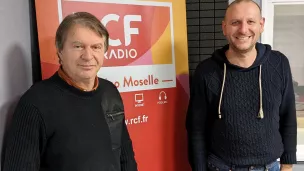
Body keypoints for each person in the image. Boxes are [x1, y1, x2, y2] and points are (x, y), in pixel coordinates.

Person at [2, 12, 137, 171]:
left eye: (96, 47)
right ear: (60, 50)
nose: (88, 56)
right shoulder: (35, 103)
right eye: (78, 46)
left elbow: (125, 156)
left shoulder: (110, 92)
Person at [186, 0, 297, 171]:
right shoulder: (206, 71)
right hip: (221, 167)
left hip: (270, 168)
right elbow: (196, 130)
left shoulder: (279, 63)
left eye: (250, 21)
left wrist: (287, 165)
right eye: (235, 22)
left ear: (261, 25)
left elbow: (288, 116)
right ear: (224, 27)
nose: (243, 29)